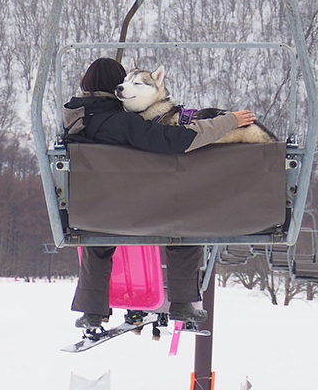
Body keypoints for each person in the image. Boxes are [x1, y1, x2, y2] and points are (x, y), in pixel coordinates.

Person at [63, 57, 256, 328]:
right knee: (184, 230)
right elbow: (172, 140)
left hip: (94, 213)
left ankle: (92, 311)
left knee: (97, 243)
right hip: (142, 208)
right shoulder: (120, 122)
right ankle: (182, 303)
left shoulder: (73, 121)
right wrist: (227, 122)